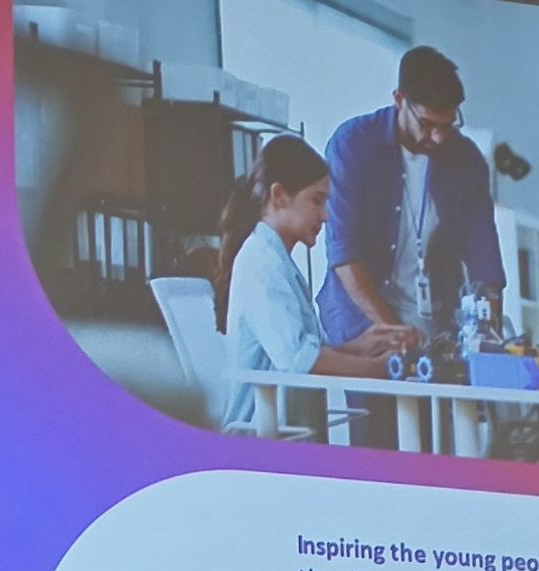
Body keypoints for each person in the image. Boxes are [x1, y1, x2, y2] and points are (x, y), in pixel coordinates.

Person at [216, 134, 423, 435]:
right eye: (316, 200)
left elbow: (307, 351)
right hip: (260, 443)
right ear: (279, 196)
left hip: (286, 435)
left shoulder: (275, 259)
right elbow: (299, 360)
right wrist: (378, 370)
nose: (325, 215)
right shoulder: (262, 263)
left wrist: (363, 345)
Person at [320, 47, 505, 350]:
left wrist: (488, 337)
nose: (438, 137)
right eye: (427, 124)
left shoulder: (466, 160)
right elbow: (345, 256)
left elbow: (486, 262)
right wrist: (397, 335)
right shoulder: (353, 145)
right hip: (361, 326)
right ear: (399, 100)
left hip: (438, 327)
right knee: (374, 397)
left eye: (448, 125)